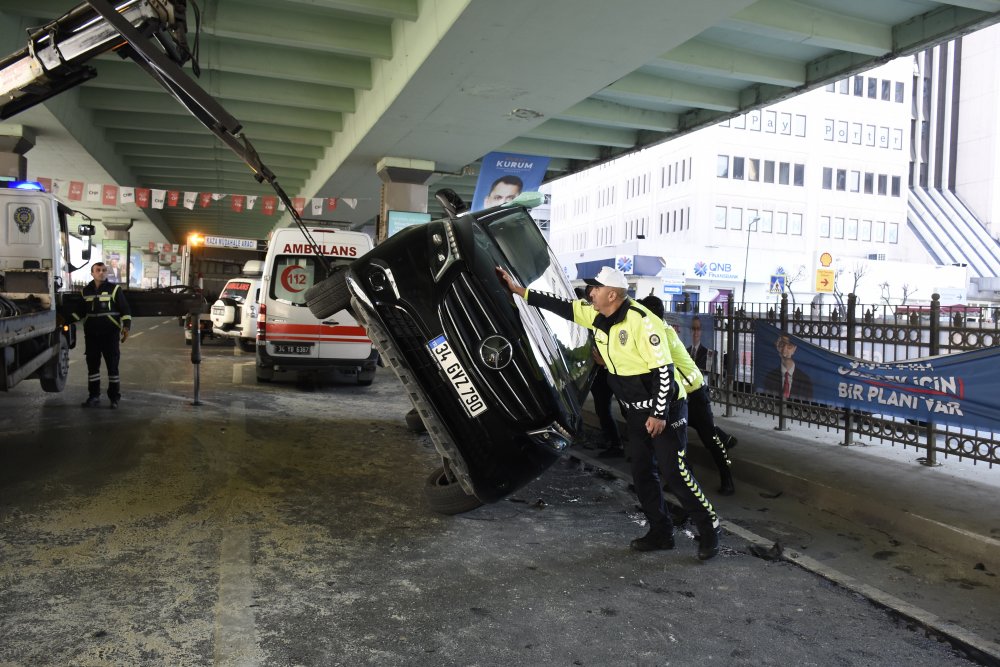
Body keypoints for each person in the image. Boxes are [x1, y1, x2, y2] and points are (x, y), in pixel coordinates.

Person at [496, 265, 720, 560]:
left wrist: (659, 413)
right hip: (636, 413)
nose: (591, 293)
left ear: (611, 294)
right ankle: (661, 532)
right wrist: (519, 290)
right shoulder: (598, 315)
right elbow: (563, 306)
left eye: (596, 289)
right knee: (642, 472)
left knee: (674, 471)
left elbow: (663, 372)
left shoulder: (643, 321)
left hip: (664, 408)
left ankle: (709, 529)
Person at [640, 296, 736, 496]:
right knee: (675, 440)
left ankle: (727, 477)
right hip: (678, 397)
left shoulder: (660, 334)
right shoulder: (656, 330)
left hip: (694, 392)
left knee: (709, 439)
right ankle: (685, 478)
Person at [74, 262, 131, 409]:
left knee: (113, 368)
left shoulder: (115, 289)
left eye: (104, 270)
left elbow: (125, 309)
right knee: (93, 368)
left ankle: (114, 398)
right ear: (92, 273)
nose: (101, 272)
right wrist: (64, 319)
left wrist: (126, 327)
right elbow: (79, 312)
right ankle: (94, 396)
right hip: (92, 335)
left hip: (110, 335)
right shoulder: (85, 291)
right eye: (98, 270)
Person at [584, 285, 624, 458]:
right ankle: (613, 441)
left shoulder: (610, 318)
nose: (592, 296)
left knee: (607, 409)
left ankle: (617, 444)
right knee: (603, 409)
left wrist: (605, 362)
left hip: (608, 373)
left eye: (595, 293)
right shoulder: (592, 316)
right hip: (600, 372)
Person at [762, 333, 814, 401]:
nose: (784, 349)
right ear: (777, 346)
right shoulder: (769, 377)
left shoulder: (806, 381)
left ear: (794, 349)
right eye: (782, 345)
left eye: (789, 346)